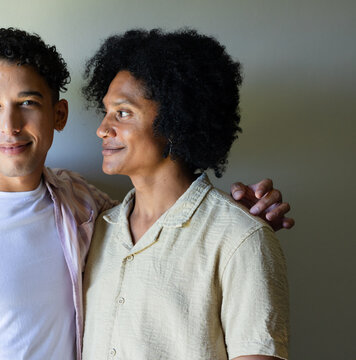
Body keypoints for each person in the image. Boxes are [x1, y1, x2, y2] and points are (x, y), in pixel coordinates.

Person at [0, 28, 292, 360]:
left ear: (58, 113)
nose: (9, 126)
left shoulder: (87, 211)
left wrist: (239, 224)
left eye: (27, 102)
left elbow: (193, 228)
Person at [81, 28, 290, 360]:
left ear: (175, 124)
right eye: (106, 112)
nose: (102, 129)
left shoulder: (241, 237)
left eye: (123, 113)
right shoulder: (96, 230)